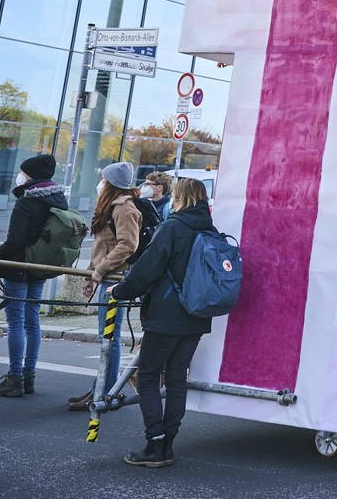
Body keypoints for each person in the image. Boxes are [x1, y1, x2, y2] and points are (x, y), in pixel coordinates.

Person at [112, 176, 217, 468]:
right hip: (196, 316)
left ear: (180, 199)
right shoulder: (209, 229)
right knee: (175, 379)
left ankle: (154, 445)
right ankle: (168, 442)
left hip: (166, 316)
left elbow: (147, 268)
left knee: (147, 377)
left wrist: (119, 291)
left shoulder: (172, 227)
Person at [0, 153, 69, 398]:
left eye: (23, 172)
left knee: (15, 323)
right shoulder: (57, 200)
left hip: (17, 266)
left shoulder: (26, 201)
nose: (20, 176)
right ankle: (29, 375)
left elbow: (15, 240)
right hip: (39, 267)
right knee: (33, 322)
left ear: (29, 176)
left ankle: (14, 377)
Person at [69, 161, 143, 412]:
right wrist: (91, 276)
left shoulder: (124, 208)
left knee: (108, 338)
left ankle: (104, 391)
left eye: (103, 178)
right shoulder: (112, 206)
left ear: (111, 183)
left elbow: (127, 245)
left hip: (115, 280)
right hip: (108, 277)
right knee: (106, 337)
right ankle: (99, 388)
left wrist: (100, 271)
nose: (100, 181)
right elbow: (104, 246)